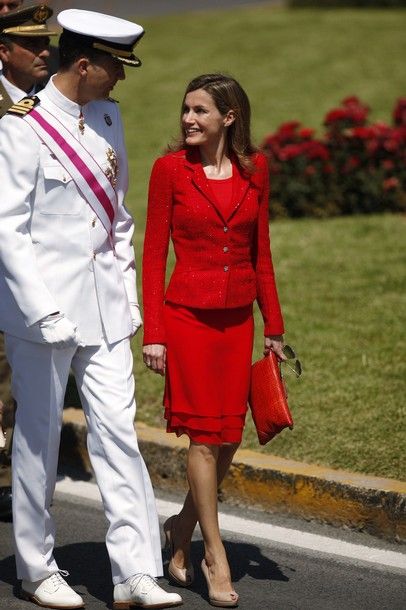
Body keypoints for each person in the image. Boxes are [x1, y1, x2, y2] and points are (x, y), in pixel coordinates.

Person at [0, 8, 183, 610]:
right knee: (38, 436)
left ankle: (135, 571)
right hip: (43, 313)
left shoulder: (107, 118)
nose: (121, 79)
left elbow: (118, 222)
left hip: (104, 311)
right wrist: (41, 310)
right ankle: (35, 565)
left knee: (118, 437)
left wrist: (126, 299)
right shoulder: (21, 127)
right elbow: (9, 230)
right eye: (114, 67)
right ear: (84, 64)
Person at [142, 73, 286, 608]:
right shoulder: (169, 171)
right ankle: (213, 553)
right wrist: (153, 334)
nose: (188, 120)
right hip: (188, 322)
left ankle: (180, 527)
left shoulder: (257, 169)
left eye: (200, 111)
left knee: (228, 437)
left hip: (237, 324)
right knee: (203, 438)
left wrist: (274, 326)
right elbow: (153, 255)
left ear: (229, 117)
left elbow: (261, 253)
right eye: (185, 110)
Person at [0, 1, 55, 522]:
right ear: (3, 51)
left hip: (36, 260)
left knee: (19, 377)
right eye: (32, 44)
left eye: (46, 43)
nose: (44, 51)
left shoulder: (54, 97)